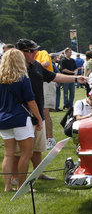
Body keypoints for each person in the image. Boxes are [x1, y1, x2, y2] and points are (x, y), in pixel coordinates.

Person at [14, 39, 85, 182]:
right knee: (19, 152)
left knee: (38, 148)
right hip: (21, 115)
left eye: (35, 51)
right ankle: (15, 179)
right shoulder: (14, 68)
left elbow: (54, 76)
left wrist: (76, 79)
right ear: (21, 52)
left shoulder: (36, 66)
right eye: (31, 51)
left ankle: (38, 173)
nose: (35, 53)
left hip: (37, 113)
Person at [0, 49, 43, 192]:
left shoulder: (1, 79)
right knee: (26, 154)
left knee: (8, 154)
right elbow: (31, 101)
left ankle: (7, 186)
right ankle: (22, 186)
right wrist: (38, 118)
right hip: (20, 119)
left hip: (4, 120)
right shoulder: (23, 78)